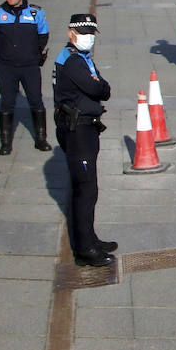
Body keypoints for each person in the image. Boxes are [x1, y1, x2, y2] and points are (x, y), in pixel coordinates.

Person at [52, 14, 114, 267]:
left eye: (91, 33)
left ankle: (90, 238)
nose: (88, 37)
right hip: (77, 131)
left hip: (86, 129)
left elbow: (103, 87)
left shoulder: (80, 58)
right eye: (83, 32)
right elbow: (99, 89)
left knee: (90, 189)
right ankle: (84, 248)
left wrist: (100, 85)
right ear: (71, 33)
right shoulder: (73, 62)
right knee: (85, 191)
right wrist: (99, 85)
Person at [0, 0, 52, 155]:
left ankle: (40, 139)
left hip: (29, 66)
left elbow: (43, 35)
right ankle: (6, 142)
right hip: (6, 67)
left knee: (36, 101)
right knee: (7, 103)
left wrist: (33, 53)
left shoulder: (35, 13)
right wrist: (5, 51)